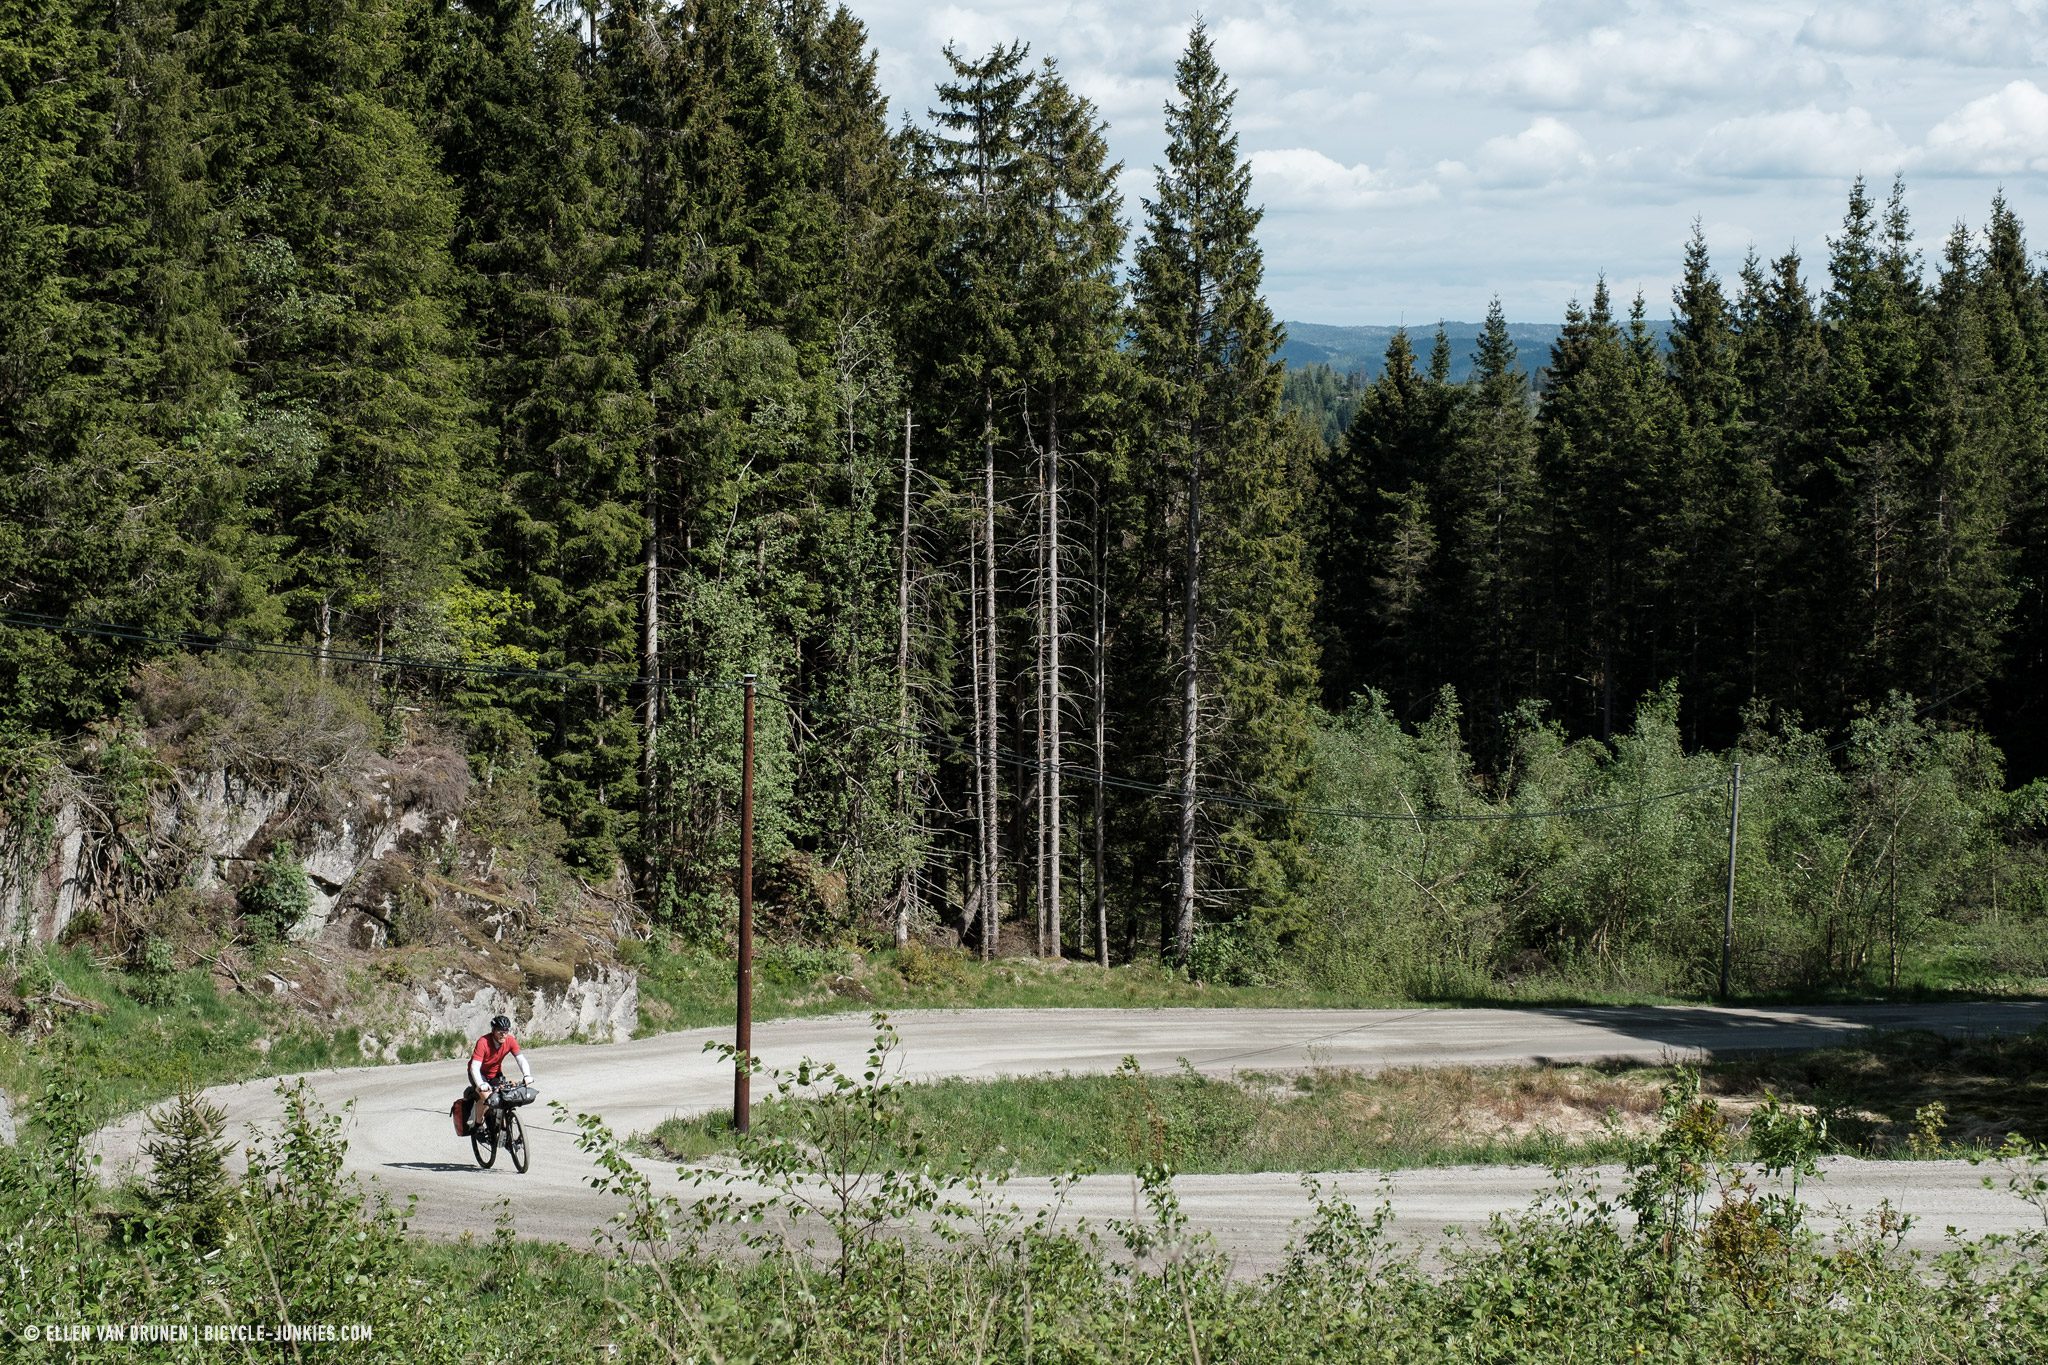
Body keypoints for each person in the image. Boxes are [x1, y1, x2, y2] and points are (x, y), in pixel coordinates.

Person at [466, 1014, 535, 1134]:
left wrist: (527, 1075)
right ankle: (478, 1124)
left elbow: (520, 1059)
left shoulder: (510, 1040)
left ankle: (502, 1129)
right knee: (486, 1098)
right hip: (479, 1074)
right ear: (493, 1031)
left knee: (504, 1096)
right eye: (500, 1031)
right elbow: (474, 1067)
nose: (503, 1034)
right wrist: (481, 1084)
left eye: (506, 1030)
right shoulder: (483, 1042)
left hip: (495, 1074)